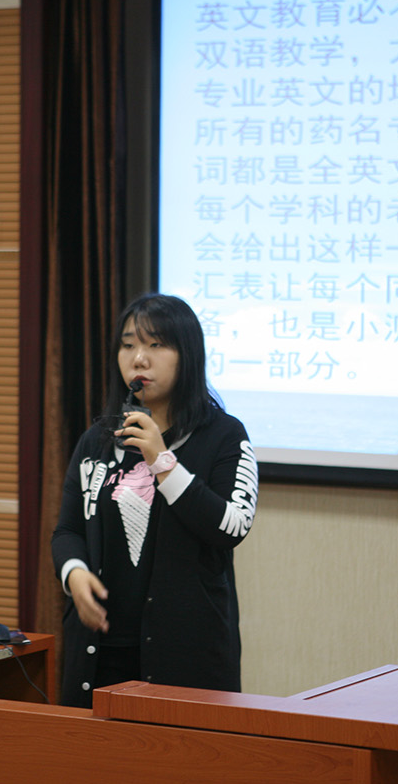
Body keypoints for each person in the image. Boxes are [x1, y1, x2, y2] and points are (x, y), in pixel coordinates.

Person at [51, 293, 259, 708]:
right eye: (128, 345)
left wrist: (163, 462)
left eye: (156, 344)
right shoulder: (97, 440)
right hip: (99, 651)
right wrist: (73, 574)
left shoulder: (224, 435)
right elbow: (68, 530)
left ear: (187, 356)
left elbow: (232, 526)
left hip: (186, 658)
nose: (139, 359)